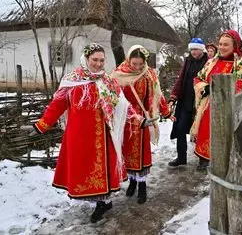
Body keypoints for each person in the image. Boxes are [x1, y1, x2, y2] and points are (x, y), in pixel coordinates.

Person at [24, 43, 153, 223]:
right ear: (86, 59)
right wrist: (41, 125)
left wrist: (140, 121)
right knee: (86, 170)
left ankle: (103, 203)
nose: (99, 64)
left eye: (101, 60)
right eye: (95, 60)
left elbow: (123, 105)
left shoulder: (107, 82)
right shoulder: (72, 81)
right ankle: (100, 202)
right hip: (80, 135)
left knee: (103, 169)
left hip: (103, 135)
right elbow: (57, 105)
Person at [190, 30, 242, 170]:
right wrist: (204, 87)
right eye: (220, 44)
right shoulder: (211, 62)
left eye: (226, 44)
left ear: (235, 45)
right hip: (210, 107)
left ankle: (227, 160)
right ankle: (204, 159)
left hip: (232, 108)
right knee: (206, 131)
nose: (221, 47)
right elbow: (198, 78)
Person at [111, 45, 175, 204]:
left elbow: (158, 95)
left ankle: (142, 185)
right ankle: (132, 182)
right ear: (128, 60)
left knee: (141, 153)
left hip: (144, 119)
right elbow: (112, 97)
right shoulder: (118, 75)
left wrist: (167, 113)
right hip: (125, 119)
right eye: (134, 64)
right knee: (127, 151)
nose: (138, 67)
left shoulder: (149, 75)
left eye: (140, 64)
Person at [168, 38, 208, 167]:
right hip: (186, 99)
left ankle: (203, 158)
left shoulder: (208, 62)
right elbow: (181, 79)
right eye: (191, 49)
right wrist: (173, 97)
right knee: (180, 128)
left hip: (201, 101)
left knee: (200, 130)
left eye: (195, 49)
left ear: (201, 49)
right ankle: (181, 157)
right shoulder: (188, 61)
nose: (193, 52)